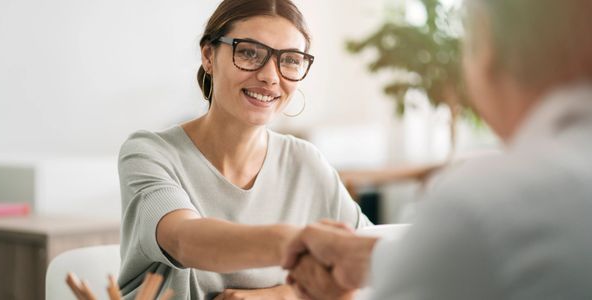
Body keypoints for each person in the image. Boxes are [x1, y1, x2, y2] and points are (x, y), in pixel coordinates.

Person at [282, 0, 592, 299]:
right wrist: (372, 258)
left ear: (484, 44)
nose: (271, 76)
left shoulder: (480, 207)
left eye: (290, 59)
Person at [116, 0, 371, 299]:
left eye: (289, 60)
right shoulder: (150, 152)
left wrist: (282, 295)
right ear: (209, 56)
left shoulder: (305, 162)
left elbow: (365, 263)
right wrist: (295, 243)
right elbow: (184, 241)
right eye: (249, 52)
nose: (270, 76)